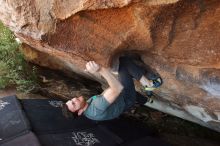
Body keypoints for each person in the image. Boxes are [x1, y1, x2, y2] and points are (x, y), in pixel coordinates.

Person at [66, 56, 162, 121]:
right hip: (126, 98)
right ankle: (148, 84)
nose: (74, 99)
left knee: (129, 86)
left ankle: (148, 100)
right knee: (123, 63)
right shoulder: (96, 107)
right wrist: (100, 69)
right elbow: (118, 89)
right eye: (73, 103)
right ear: (79, 112)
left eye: (71, 100)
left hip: (121, 103)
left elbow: (104, 95)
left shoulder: (87, 107)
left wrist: (113, 85)